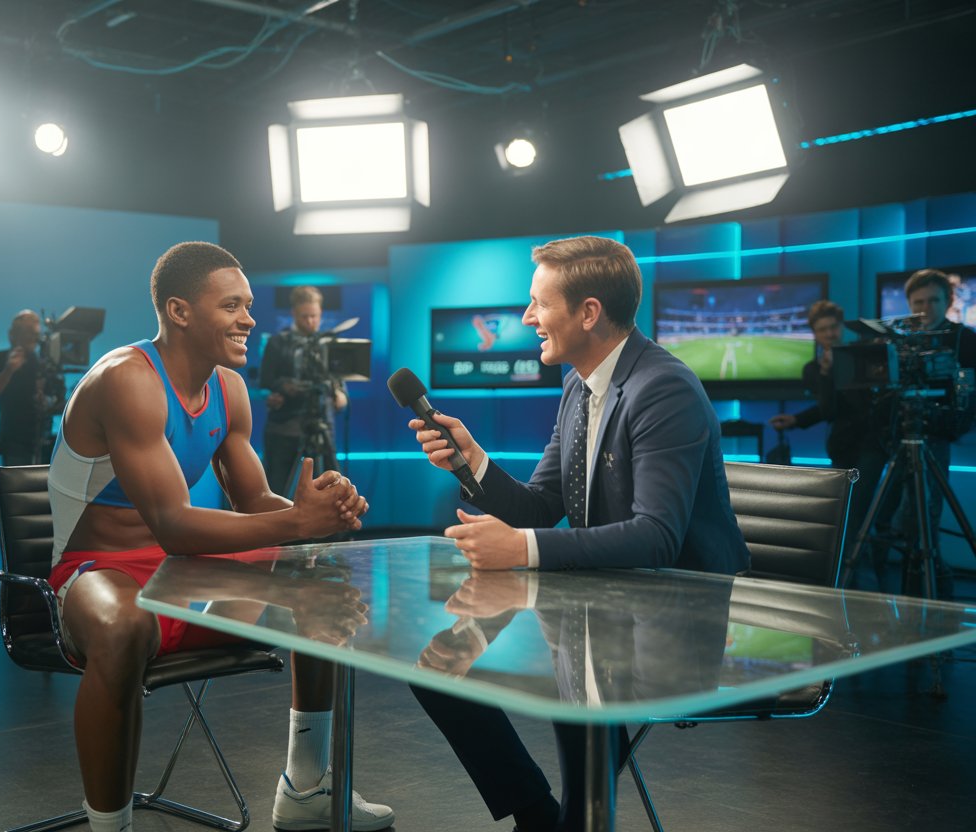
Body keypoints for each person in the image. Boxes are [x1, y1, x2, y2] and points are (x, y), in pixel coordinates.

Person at [405, 235, 750, 832]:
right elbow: (540, 505)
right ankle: (538, 815)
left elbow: (656, 537)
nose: (527, 317)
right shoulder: (580, 385)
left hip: (678, 618)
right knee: (437, 671)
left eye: (539, 302)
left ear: (588, 312)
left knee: (568, 680)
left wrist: (521, 551)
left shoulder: (662, 388)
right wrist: (474, 462)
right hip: (604, 600)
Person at [46, 242, 392, 832]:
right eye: (231, 305)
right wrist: (295, 524)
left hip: (185, 572)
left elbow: (255, 502)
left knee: (322, 582)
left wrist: (313, 511)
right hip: (97, 570)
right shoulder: (125, 379)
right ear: (179, 311)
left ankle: (306, 788)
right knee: (124, 626)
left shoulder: (229, 389)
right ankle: (110, 825)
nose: (250, 319)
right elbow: (174, 525)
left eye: (249, 305)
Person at [867, 269, 976, 599]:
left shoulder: (965, 339)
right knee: (885, 520)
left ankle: (931, 600)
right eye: (918, 302)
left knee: (924, 522)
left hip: (935, 438)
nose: (926, 308)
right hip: (896, 438)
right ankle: (887, 594)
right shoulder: (896, 340)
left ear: (948, 301)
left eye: (933, 301)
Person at [768, 300, 886, 586]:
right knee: (845, 516)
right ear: (815, 334)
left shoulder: (864, 358)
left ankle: (864, 584)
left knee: (860, 515)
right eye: (823, 330)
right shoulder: (813, 369)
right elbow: (828, 409)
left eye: (833, 328)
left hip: (873, 446)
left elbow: (866, 405)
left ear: (841, 327)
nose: (830, 334)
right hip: (842, 448)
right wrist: (799, 416)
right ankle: (849, 584)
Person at [259, 286, 348, 496]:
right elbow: (266, 379)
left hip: (321, 425)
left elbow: (339, 382)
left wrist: (341, 395)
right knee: (275, 489)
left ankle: (333, 530)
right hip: (284, 428)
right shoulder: (277, 343)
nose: (310, 321)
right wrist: (282, 389)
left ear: (321, 314)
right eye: (305, 316)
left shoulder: (328, 344)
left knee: (332, 489)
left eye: (315, 316)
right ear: (294, 314)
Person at [0, 309, 53, 465]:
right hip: (13, 441)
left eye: (35, 333)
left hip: (43, 441)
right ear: (13, 334)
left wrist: (45, 400)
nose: (33, 337)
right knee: (15, 488)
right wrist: (9, 370)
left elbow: (52, 398)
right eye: (28, 331)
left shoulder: (43, 362)